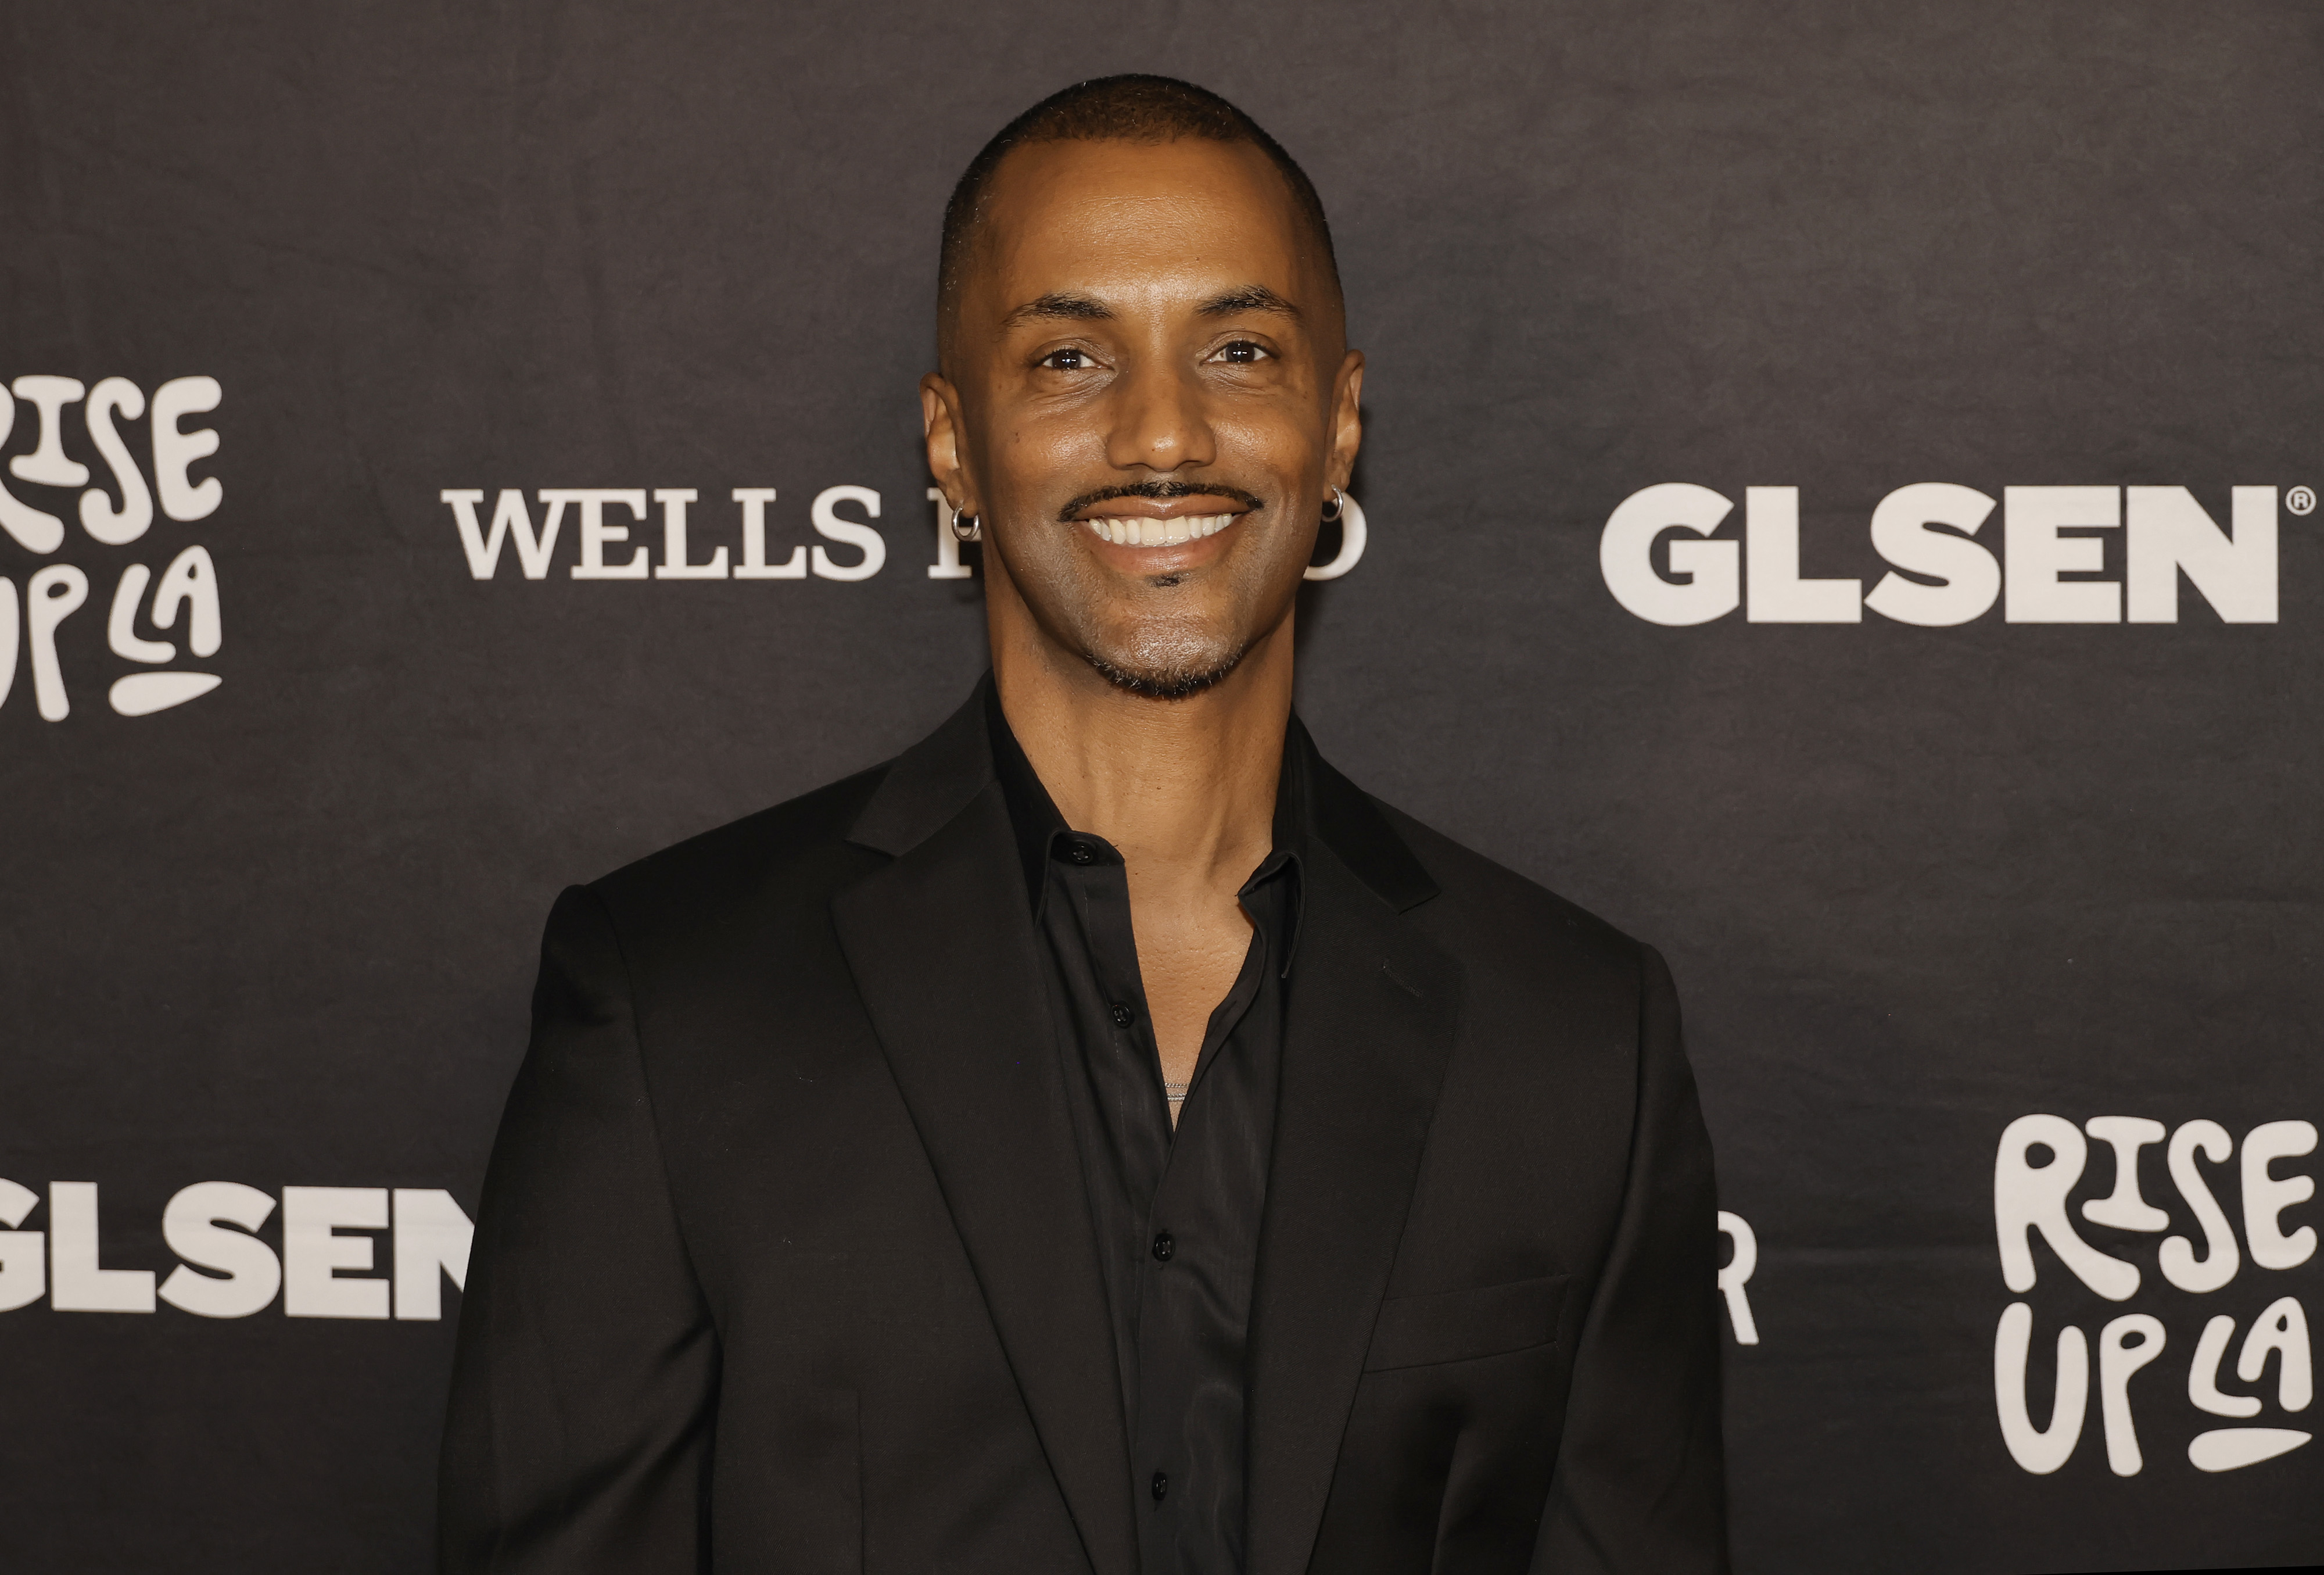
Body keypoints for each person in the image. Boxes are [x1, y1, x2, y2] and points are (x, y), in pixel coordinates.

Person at [438, 73, 1727, 1575]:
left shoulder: (1577, 1038)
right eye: (1068, 358)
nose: (1163, 434)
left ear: (1340, 423)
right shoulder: (670, 1004)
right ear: (951, 446)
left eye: (1240, 350)